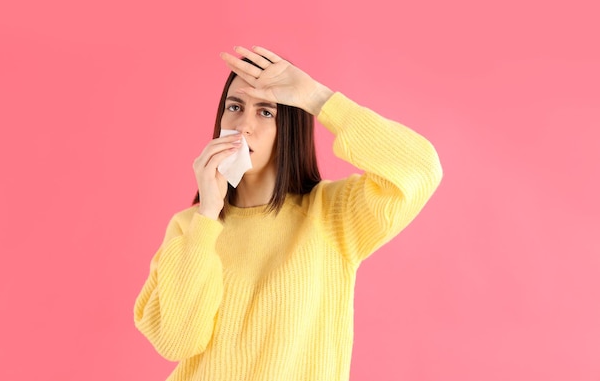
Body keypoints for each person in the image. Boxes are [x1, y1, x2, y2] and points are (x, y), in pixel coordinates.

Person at [134, 45, 443, 381]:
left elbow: (420, 168)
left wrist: (317, 98)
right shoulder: (190, 227)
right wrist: (208, 213)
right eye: (234, 107)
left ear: (290, 131)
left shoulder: (331, 215)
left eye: (266, 112)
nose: (243, 125)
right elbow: (176, 341)